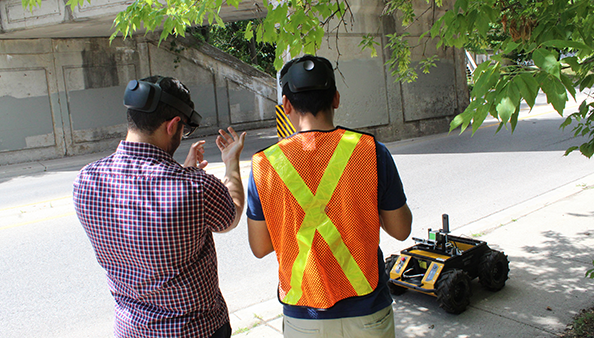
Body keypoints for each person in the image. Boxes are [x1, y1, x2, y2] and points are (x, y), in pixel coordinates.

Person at [246, 55, 412, 337]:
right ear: (335, 99)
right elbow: (400, 229)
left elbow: (260, 247)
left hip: (304, 316)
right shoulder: (371, 151)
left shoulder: (266, 164)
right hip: (368, 310)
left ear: (286, 105)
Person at [73, 75, 246, 338]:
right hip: (195, 331)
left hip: (131, 329)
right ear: (173, 124)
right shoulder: (194, 189)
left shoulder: (87, 181)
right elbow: (230, 216)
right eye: (184, 129)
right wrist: (231, 162)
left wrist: (182, 170)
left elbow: (144, 209)